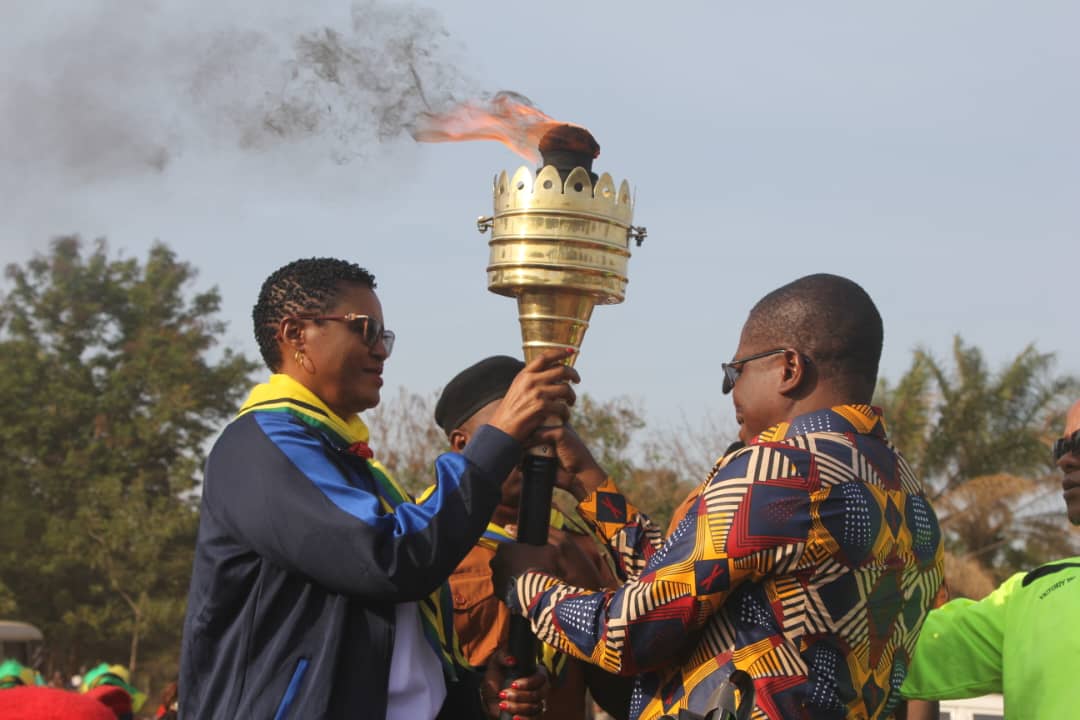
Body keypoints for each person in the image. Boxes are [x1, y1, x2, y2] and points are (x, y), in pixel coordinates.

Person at [493, 273, 945, 719]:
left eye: (736, 371)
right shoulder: (905, 492)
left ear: (789, 369)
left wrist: (529, 585)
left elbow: (632, 632)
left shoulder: (780, 470)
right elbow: (685, 588)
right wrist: (586, 482)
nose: (731, 389)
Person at [180, 258, 575, 719]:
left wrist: (469, 696)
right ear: (295, 334)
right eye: (364, 329)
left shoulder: (347, 459)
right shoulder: (262, 447)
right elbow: (391, 558)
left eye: (384, 336)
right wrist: (498, 439)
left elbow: (385, 638)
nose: (381, 350)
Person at [435, 355, 629, 720]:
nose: (532, 448)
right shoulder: (429, 544)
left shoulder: (577, 549)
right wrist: (479, 695)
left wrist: (586, 586)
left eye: (543, 432)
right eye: (514, 432)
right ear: (462, 443)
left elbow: (625, 699)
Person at [898, 397, 1080, 718]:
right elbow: (888, 648)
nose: (1064, 460)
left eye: (1078, 443)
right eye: (1061, 447)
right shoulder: (1030, 594)